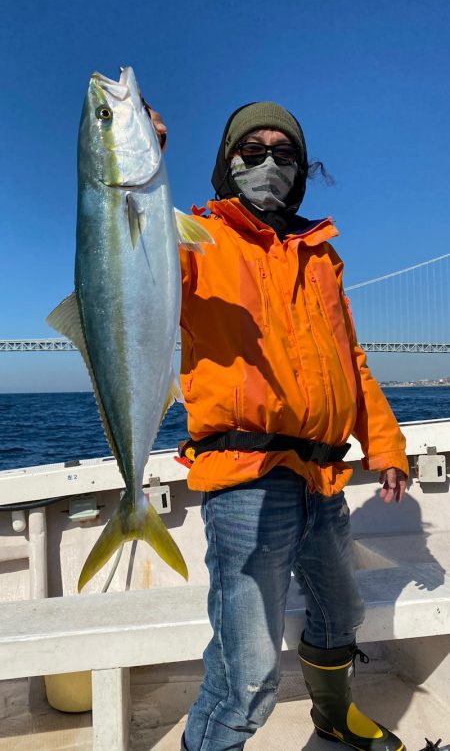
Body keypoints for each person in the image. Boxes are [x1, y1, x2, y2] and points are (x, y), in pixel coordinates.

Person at [146, 99, 408, 751]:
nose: (268, 163)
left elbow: (350, 359)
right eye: (252, 151)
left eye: (283, 152)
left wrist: (387, 443)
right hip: (245, 477)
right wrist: (137, 162)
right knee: (249, 672)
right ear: (227, 163)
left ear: (301, 167)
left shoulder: (320, 255)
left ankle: (333, 715)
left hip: (321, 473)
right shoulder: (193, 237)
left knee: (342, 611)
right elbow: (130, 258)